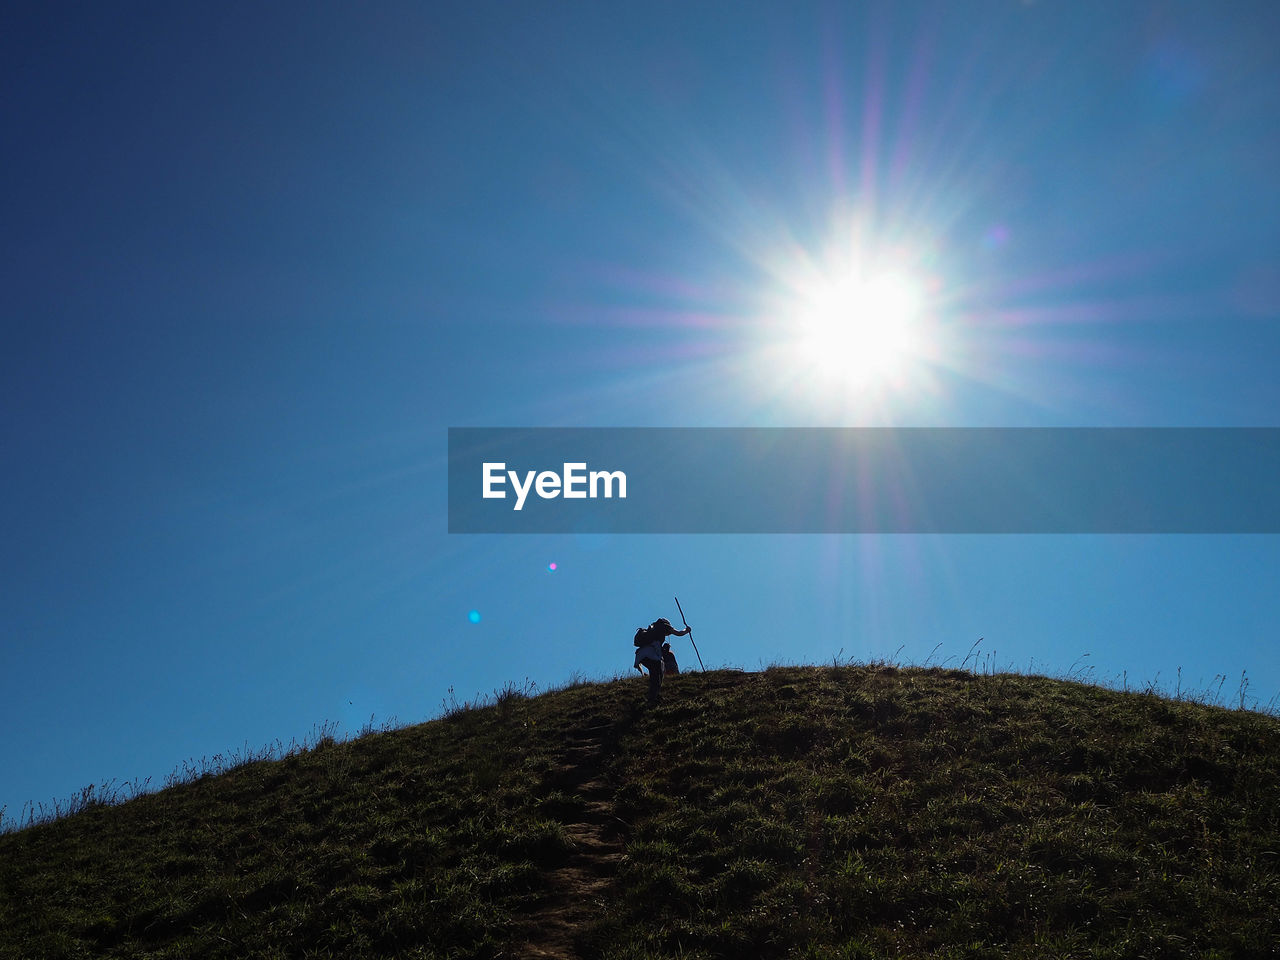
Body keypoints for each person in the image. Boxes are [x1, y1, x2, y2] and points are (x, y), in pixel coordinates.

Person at [634, 617, 690, 704]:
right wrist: (686, 630)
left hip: (642, 656)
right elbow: (679, 633)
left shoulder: (650, 631)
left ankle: (654, 696)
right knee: (658, 675)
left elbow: (638, 663)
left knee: (654, 674)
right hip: (653, 656)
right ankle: (652, 699)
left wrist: (642, 673)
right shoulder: (664, 626)